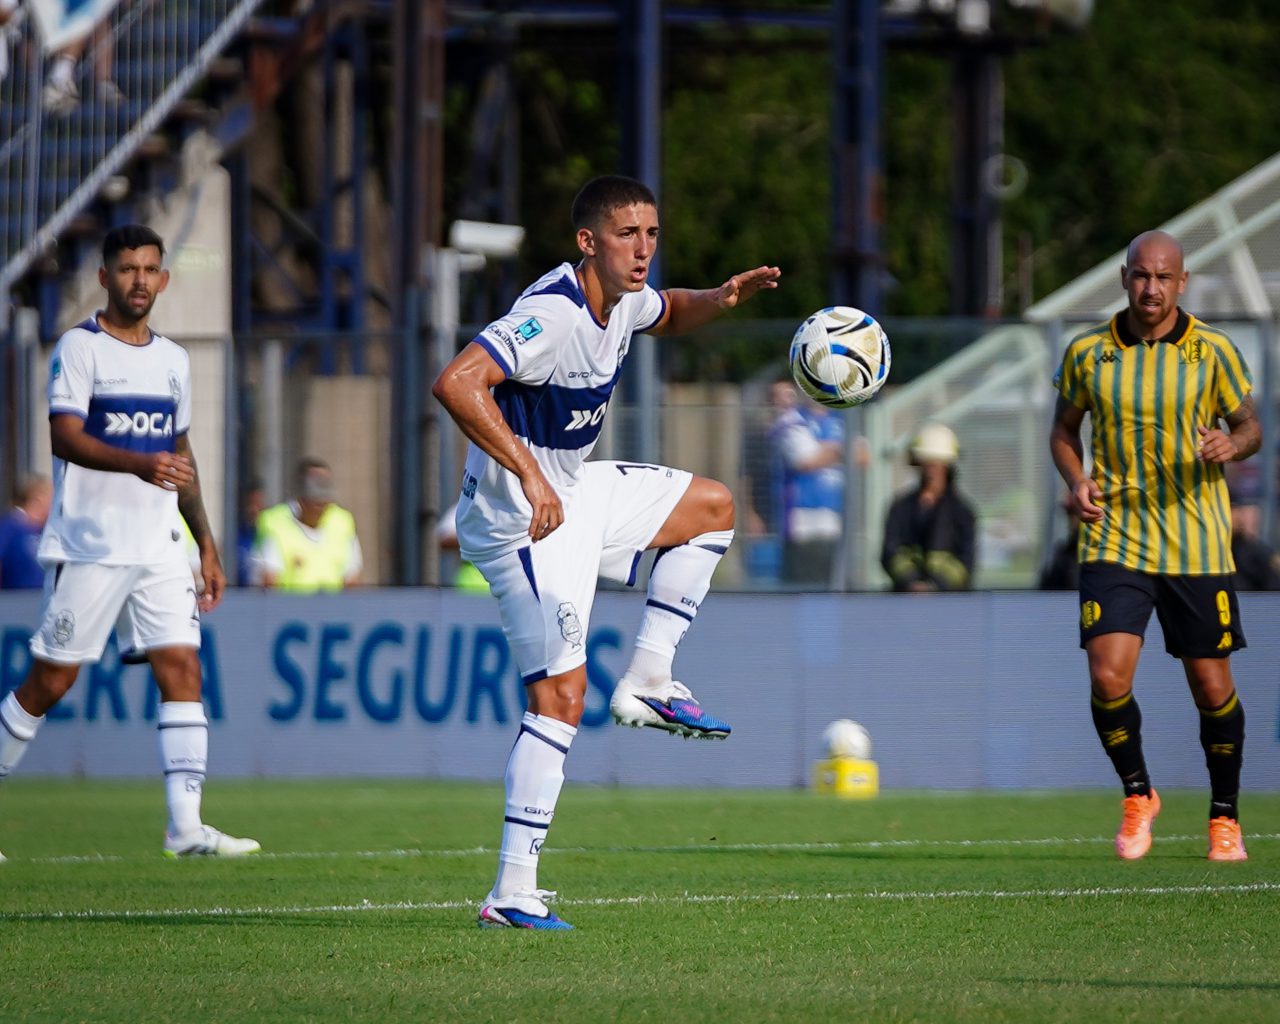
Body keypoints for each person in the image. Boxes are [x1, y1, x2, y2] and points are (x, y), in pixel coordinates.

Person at [432, 174, 780, 930]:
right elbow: (457, 382)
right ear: (588, 241)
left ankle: (649, 679)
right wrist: (528, 474)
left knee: (712, 509)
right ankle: (511, 892)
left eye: (652, 234)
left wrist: (721, 297)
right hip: (517, 518)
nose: (643, 248)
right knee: (560, 697)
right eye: (628, 234)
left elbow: (670, 311)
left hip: (572, 492)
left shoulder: (625, 298)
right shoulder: (553, 313)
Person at [0, 224, 259, 859]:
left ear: (163, 279)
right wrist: (140, 464)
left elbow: (179, 455)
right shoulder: (80, 347)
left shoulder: (174, 360)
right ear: (105, 277)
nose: (139, 280)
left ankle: (186, 827)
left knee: (183, 668)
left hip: (160, 548)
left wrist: (206, 543)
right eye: (126, 269)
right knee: (49, 683)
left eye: (149, 269)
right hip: (90, 546)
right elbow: (64, 437)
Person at [1049, 229, 1259, 863]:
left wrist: (1233, 443)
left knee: (1211, 686)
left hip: (1197, 542)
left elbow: (1249, 425)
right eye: (1141, 275)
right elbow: (1063, 431)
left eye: (1164, 277)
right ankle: (1138, 794)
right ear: (1124, 277)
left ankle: (1225, 815)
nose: (1151, 288)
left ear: (1182, 282)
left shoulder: (1212, 350)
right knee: (1107, 673)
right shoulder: (1088, 352)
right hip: (1115, 536)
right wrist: (1076, 479)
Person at [881, 422, 976, 592]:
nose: (932, 470)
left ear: (947, 466)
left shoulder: (962, 513)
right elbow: (890, 553)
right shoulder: (900, 508)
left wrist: (936, 586)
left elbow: (965, 562)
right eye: (927, 462)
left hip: (951, 601)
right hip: (906, 600)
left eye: (937, 464)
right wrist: (911, 582)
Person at [770, 380, 845, 587]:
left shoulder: (841, 419)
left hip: (836, 518)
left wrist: (822, 450)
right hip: (802, 521)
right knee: (803, 588)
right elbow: (805, 460)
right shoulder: (790, 420)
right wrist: (841, 450)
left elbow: (863, 455)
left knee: (834, 588)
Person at [252, 458, 362, 592]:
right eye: (315, 493)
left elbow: (351, 579)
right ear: (301, 498)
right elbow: (270, 582)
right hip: (290, 604)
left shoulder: (342, 522)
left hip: (335, 604)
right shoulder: (274, 523)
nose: (321, 505)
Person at [1227, 473, 1280, 592]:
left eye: (1235, 509)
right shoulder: (1210, 553)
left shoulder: (1256, 554)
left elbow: (1274, 591)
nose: (1236, 516)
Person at [0, 474, 52, 590]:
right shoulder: (9, 526)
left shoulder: (48, 531)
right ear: (39, 499)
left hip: (43, 597)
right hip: (16, 598)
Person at [1038, 492, 1081, 591]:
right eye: (1069, 513)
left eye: (1075, 512)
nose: (1071, 519)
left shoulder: (1098, 556)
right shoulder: (1064, 554)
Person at [234, 479, 267, 586]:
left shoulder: (268, 534)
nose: (254, 509)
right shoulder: (236, 535)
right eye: (250, 503)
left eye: (258, 504)